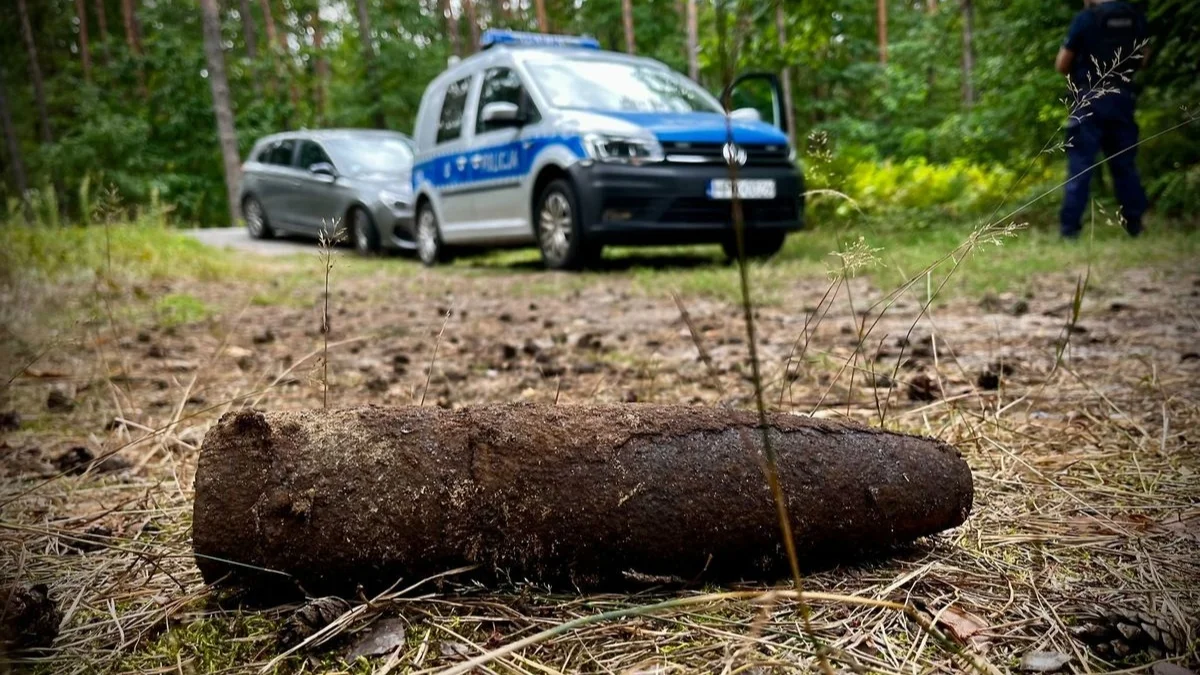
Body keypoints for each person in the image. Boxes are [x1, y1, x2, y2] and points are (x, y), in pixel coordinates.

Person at [1055, 0, 1148, 239]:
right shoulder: (1135, 18)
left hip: (1089, 100)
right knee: (1125, 164)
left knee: (1080, 165)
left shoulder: (1086, 19)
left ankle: (1069, 230)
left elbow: (1062, 64)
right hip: (1122, 99)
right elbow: (1143, 59)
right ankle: (1135, 225)